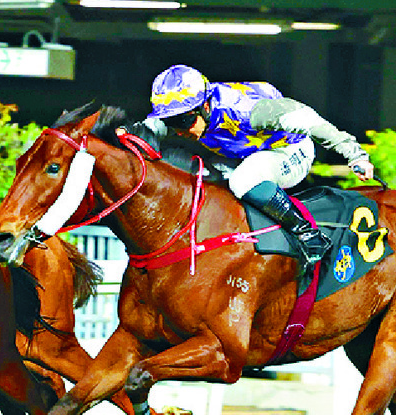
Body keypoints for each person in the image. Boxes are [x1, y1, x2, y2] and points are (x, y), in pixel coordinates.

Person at [126, 64, 374, 267]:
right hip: (244, 155)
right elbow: (151, 128)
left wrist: (355, 155)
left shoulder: (249, 111)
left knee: (243, 179)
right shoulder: (190, 114)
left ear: (205, 105)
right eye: (172, 121)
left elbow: (312, 122)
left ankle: (308, 234)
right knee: (194, 174)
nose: (178, 130)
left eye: (183, 120)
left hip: (290, 151)